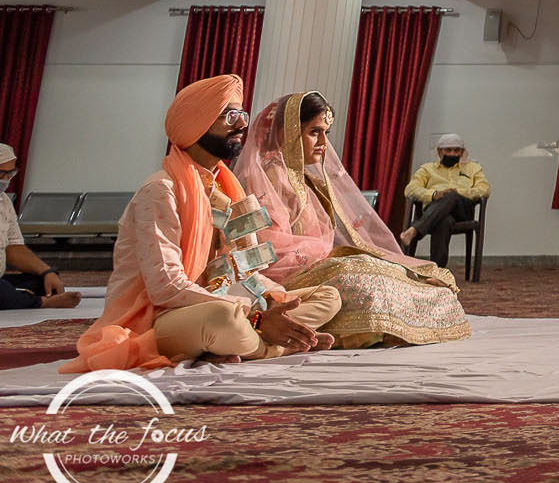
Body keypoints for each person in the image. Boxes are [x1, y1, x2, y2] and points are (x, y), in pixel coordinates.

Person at [66, 75, 342, 371]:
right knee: (223, 319)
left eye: (242, 115)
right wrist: (256, 316)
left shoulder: (228, 190)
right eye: (230, 116)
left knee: (328, 296)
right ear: (196, 123)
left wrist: (270, 301)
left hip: (222, 303)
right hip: (160, 316)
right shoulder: (161, 191)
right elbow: (166, 288)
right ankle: (273, 346)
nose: (242, 125)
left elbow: (243, 272)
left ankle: (253, 340)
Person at [232, 92, 469, 349]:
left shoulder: (302, 176)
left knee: (392, 272)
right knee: (366, 280)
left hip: (315, 266)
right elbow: (268, 248)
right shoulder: (267, 176)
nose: (323, 143)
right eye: (314, 132)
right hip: (286, 277)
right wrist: (327, 258)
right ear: (286, 132)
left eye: (326, 133)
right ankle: (362, 330)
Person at [0, 143, 80, 310]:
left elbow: (13, 247)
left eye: (11, 173)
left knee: (41, 281)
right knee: (3, 291)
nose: (6, 179)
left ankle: (20, 296)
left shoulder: (4, 202)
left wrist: (46, 272)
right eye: (2, 173)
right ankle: (42, 302)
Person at [399, 133, 488, 270]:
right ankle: (437, 271)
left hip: (462, 210)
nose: (452, 154)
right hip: (435, 211)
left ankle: (415, 229)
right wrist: (433, 194)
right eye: (448, 150)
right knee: (444, 221)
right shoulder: (427, 169)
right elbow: (410, 189)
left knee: (451, 195)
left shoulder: (473, 168)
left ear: (462, 152)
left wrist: (459, 192)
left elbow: (484, 189)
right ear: (440, 151)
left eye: (456, 150)